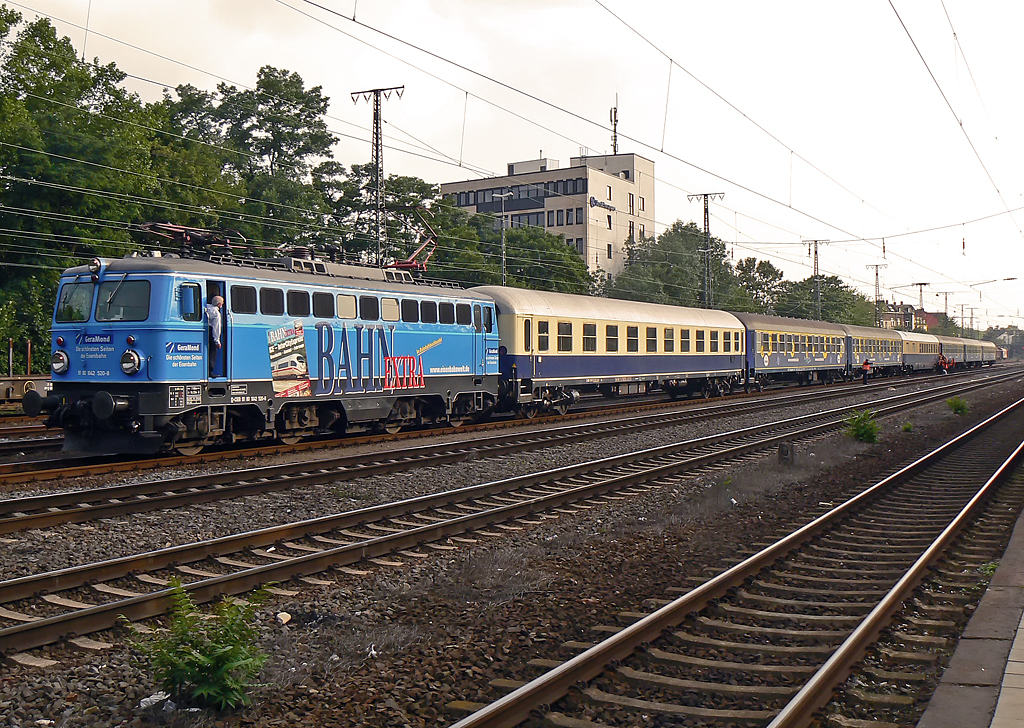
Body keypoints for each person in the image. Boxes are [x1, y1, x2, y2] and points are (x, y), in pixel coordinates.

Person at [205, 295, 224, 376]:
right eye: (222, 303)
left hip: (206, 329)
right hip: (211, 331)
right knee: (212, 352)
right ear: (219, 304)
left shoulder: (207, 307)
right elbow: (216, 327)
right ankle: (210, 371)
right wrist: (217, 340)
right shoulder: (216, 313)